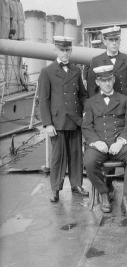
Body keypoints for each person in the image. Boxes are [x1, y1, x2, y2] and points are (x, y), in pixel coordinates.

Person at [82, 65, 127, 219]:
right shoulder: (90, 102)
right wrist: (96, 142)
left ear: (114, 79)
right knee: (88, 161)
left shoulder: (124, 100)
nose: (107, 84)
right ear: (97, 82)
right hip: (99, 145)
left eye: (109, 80)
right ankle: (103, 193)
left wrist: (121, 141)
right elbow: (87, 127)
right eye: (103, 81)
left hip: (118, 144)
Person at [38, 36, 89, 202]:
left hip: (75, 121)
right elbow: (44, 100)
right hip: (57, 122)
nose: (65, 53)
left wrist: (87, 110)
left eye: (68, 50)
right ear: (55, 50)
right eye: (62, 50)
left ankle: (76, 184)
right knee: (58, 157)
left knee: (76, 156)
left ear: (71, 51)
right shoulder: (47, 72)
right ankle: (55, 188)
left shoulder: (76, 71)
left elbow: (82, 95)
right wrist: (47, 124)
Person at [86, 26, 127, 115]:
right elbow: (92, 87)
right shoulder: (96, 61)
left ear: (120, 40)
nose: (114, 43)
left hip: (124, 105)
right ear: (105, 41)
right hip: (104, 105)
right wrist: (93, 107)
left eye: (116, 40)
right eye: (111, 40)